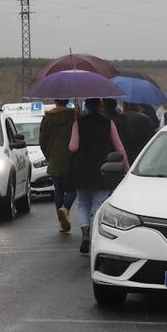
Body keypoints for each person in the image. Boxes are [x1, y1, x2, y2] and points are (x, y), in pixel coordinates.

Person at [68, 98, 128, 255]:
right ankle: (95, 236)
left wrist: (77, 127)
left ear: (86, 106)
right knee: (99, 202)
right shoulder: (108, 123)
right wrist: (126, 167)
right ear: (99, 105)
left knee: (82, 203)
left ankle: (85, 231)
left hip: (81, 168)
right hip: (102, 167)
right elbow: (119, 147)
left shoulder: (78, 123)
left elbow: (73, 147)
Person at [37, 98, 77, 233]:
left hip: (54, 159)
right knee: (72, 189)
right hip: (71, 159)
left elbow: (42, 141)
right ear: (67, 101)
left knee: (58, 190)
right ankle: (65, 209)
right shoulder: (74, 116)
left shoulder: (48, 119)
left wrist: (49, 156)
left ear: (55, 101)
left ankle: (61, 222)